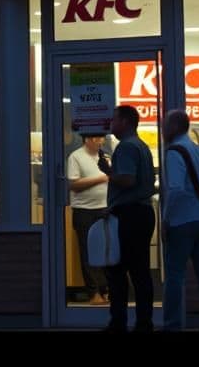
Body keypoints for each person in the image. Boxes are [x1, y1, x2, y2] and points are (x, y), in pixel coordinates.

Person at [160, 111, 199, 332]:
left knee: (175, 275)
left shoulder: (174, 153)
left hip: (181, 221)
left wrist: (166, 219)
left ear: (174, 127)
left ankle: (171, 324)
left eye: (164, 125)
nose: (162, 129)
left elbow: (174, 190)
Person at [104, 104, 156, 332]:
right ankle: (144, 322)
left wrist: (107, 171)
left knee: (117, 270)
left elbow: (127, 180)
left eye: (114, 120)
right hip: (143, 213)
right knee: (141, 271)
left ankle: (119, 322)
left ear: (125, 122)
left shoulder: (125, 147)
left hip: (129, 215)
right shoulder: (143, 146)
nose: (111, 124)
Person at [66, 132, 110, 303]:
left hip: (105, 209)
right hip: (84, 211)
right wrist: (101, 179)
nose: (100, 141)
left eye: (101, 138)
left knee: (106, 250)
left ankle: (105, 289)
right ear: (87, 139)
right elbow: (74, 185)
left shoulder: (104, 157)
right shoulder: (76, 157)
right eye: (97, 138)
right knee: (88, 252)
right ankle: (93, 293)